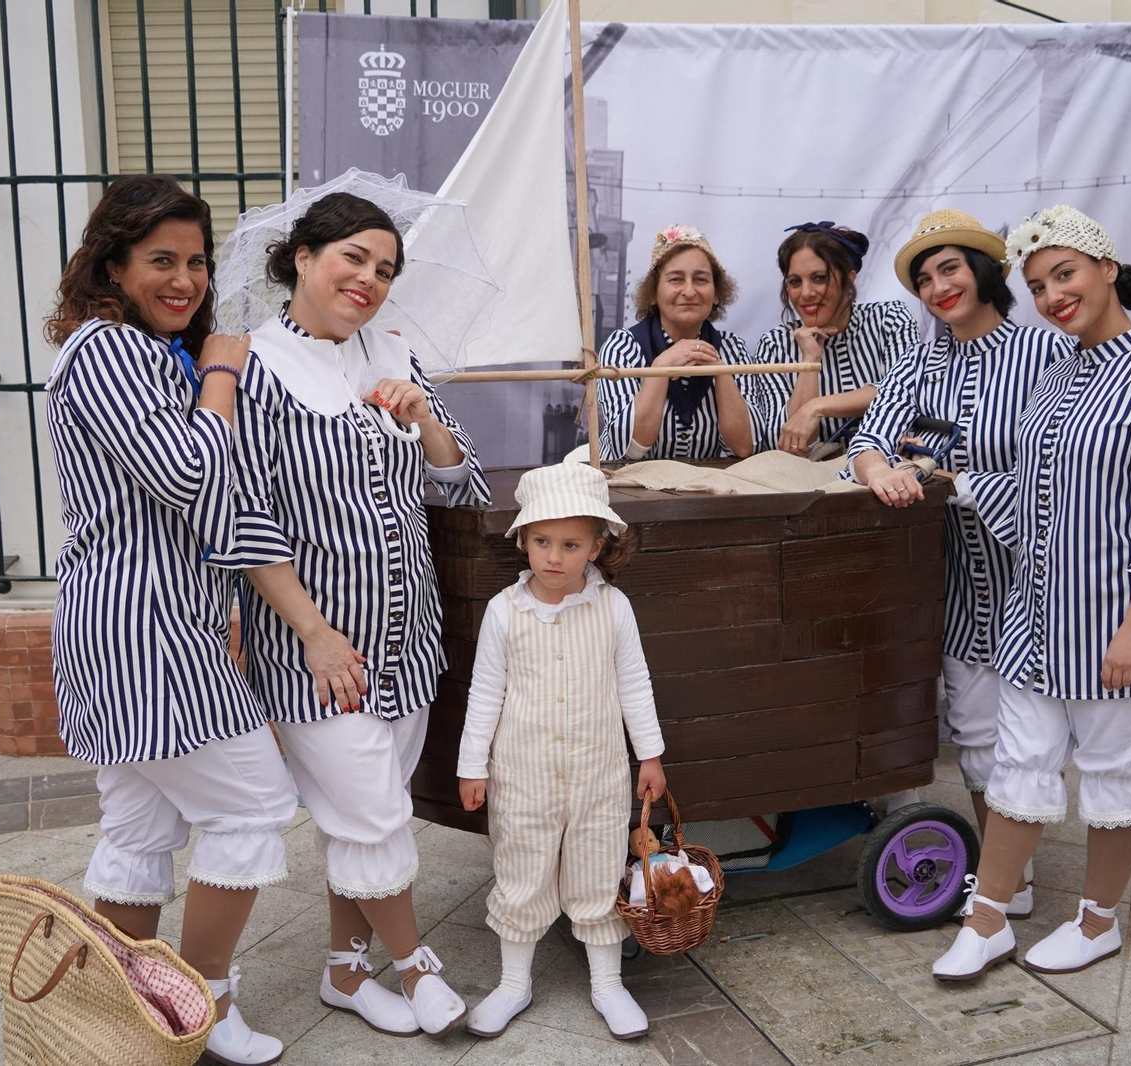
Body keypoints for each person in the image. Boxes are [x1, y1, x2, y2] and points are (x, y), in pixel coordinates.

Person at [213, 191, 490, 1037]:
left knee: (365, 818)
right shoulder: (250, 365)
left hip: (410, 637)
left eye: (386, 269)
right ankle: (414, 966)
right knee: (372, 813)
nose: (370, 279)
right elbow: (240, 512)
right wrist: (313, 630)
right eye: (354, 258)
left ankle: (343, 970)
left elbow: (462, 487)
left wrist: (425, 421)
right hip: (319, 646)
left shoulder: (394, 352)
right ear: (302, 256)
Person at [42, 174, 296, 1066]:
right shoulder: (113, 352)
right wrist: (222, 373)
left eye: (194, 260)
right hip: (143, 631)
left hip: (129, 626)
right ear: (111, 262)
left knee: (140, 830)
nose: (183, 279)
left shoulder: (135, 355)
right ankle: (201, 1003)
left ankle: (128, 1013)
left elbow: (206, 496)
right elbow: (191, 475)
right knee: (255, 808)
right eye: (160, 260)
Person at [931, 205, 1131, 981]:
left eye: (1066, 274)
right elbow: (1031, 494)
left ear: (1105, 269)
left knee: (1118, 776)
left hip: (1119, 624)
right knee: (1019, 766)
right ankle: (986, 921)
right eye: (1038, 285)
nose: (1054, 295)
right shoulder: (1056, 376)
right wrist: (955, 482)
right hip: (1034, 618)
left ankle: (1096, 924)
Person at [848, 209, 1074, 908]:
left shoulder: (1046, 356)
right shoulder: (916, 365)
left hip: (1032, 575)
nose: (938, 285)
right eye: (924, 277)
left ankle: (1015, 877)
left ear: (983, 271)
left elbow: (1064, 466)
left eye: (949, 268)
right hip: (953, 581)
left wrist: (960, 484)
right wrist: (878, 468)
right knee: (975, 736)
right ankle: (1013, 887)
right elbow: (867, 441)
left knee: (1030, 737)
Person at [456, 462, 667, 1041]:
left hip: (598, 776)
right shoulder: (505, 611)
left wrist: (649, 754)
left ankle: (607, 984)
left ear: (597, 546)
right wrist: (472, 765)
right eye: (541, 542)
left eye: (570, 544)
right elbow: (485, 692)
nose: (553, 557)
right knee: (521, 869)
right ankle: (513, 982)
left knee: (598, 871)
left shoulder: (612, 608)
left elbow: (634, 682)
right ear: (523, 539)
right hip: (521, 776)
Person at [750, 221, 920, 456]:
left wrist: (817, 407)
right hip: (814, 485)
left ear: (850, 278)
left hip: (890, 476)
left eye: (819, 278)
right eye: (795, 281)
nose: (806, 293)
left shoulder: (889, 319)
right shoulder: (775, 345)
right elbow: (789, 444)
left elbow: (904, 389)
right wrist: (810, 360)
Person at [597, 223, 757, 461]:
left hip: (707, 489)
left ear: (716, 294)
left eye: (701, 280)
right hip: (629, 489)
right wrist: (661, 368)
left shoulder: (733, 350)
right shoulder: (622, 348)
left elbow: (743, 448)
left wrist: (721, 372)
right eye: (676, 279)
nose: (690, 291)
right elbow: (630, 450)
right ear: (652, 293)